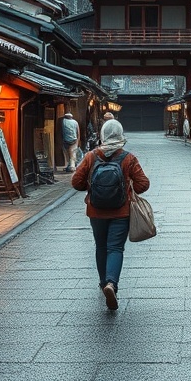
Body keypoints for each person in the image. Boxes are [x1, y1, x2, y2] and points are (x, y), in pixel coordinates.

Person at [71, 119, 150, 311]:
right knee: (115, 248)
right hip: (121, 212)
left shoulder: (91, 156)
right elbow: (143, 184)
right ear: (121, 135)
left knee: (101, 246)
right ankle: (111, 284)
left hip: (96, 211)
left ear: (103, 135)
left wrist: (92, 187)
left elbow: (76, 182)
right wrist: (128, 186)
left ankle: (102, 282)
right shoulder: (128, 158)